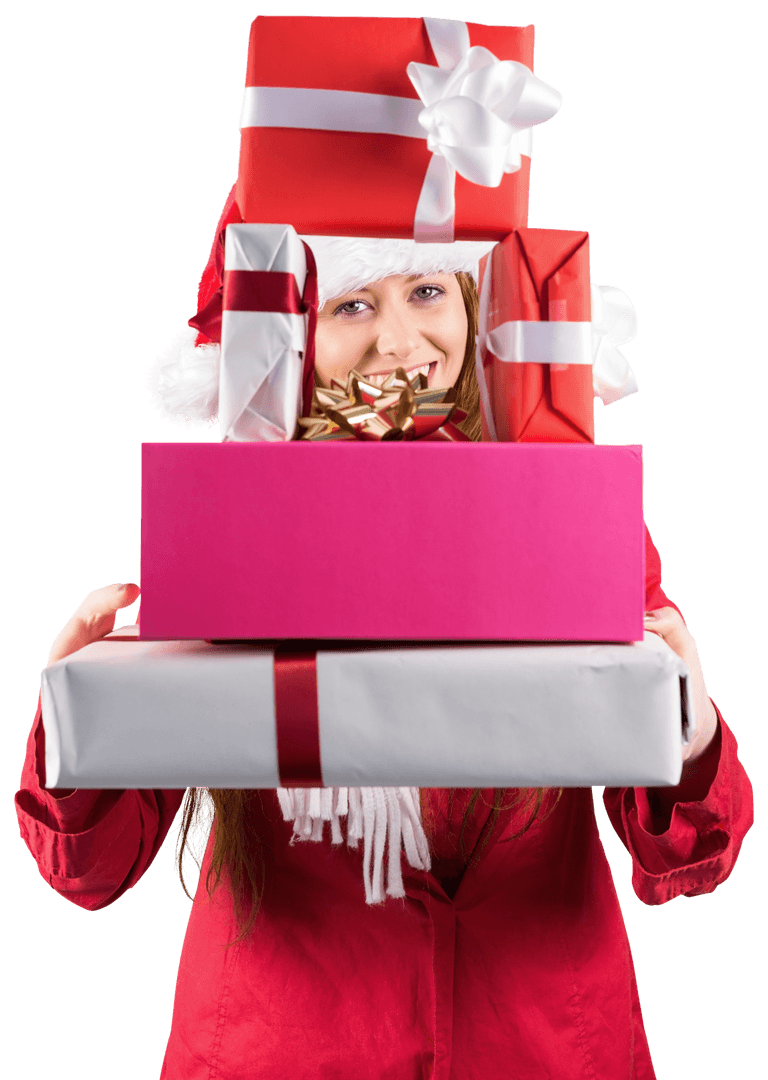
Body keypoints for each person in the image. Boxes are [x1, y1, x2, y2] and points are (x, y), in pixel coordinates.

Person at [16, 197, 754, 1079]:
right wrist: (74, 732)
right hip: (285, 1040)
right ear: (291, 339)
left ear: (476, 308)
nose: (403, 344)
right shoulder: (226, 529)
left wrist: (694, 736)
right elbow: (90, 871)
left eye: (430, 293)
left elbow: (688, 853)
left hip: (542, 1038)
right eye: (354, 304)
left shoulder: (567, 516)